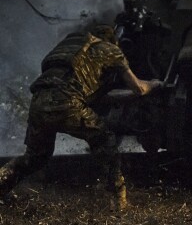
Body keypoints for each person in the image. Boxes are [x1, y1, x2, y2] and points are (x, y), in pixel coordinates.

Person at [0, 24, 162, 210]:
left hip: (38, 102)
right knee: (106, 141)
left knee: (34, 158)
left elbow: (89, 94)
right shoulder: (111, 50)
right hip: (68, 103)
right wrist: (155, 84)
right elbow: (139, 89)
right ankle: (119, 203)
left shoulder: (67, 50)